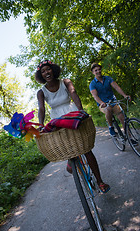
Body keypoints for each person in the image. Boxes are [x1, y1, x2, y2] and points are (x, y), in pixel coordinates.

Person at [35, 59, 110, 193]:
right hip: (57, 119)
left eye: (48, 69)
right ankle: (71, 161)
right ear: (41, 75)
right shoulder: (41, 92)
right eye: (43, 71)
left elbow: (73, 93)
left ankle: (100, 181)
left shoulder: (65, 82)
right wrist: (40, 124)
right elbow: (41, 109)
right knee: (67, 146)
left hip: (72, 114)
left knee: (86, 149)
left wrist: (81, 110)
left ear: (53, 70)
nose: (47, 72)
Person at [89, 62, 130, 136]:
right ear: (93, 72)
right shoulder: (92, 84)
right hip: (103, 104)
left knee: (123, 119)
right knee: (108, 109)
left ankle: (130, 138)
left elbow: (117, 87)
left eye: (99, 69)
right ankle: (111, 127)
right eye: (96, 70)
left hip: (113, 101)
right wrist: (101, 102)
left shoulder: (108, 78)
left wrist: (124, 95)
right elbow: (95, 96)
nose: (98, 71)